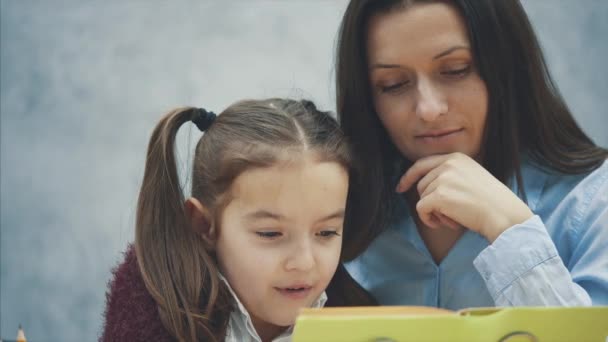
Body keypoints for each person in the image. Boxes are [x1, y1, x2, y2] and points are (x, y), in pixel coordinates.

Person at [335, 0, 608, 309]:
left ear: (508, 65)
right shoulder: (339, 212)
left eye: (455, 70)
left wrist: (509, 228)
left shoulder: (594, 201)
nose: (429, 110)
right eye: (393, 84)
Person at [101, 98, 375, 342]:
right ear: (203, 226)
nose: (304, 262)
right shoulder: (149, 317)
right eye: (270, 234)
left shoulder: (366, 320)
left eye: (326, 232)